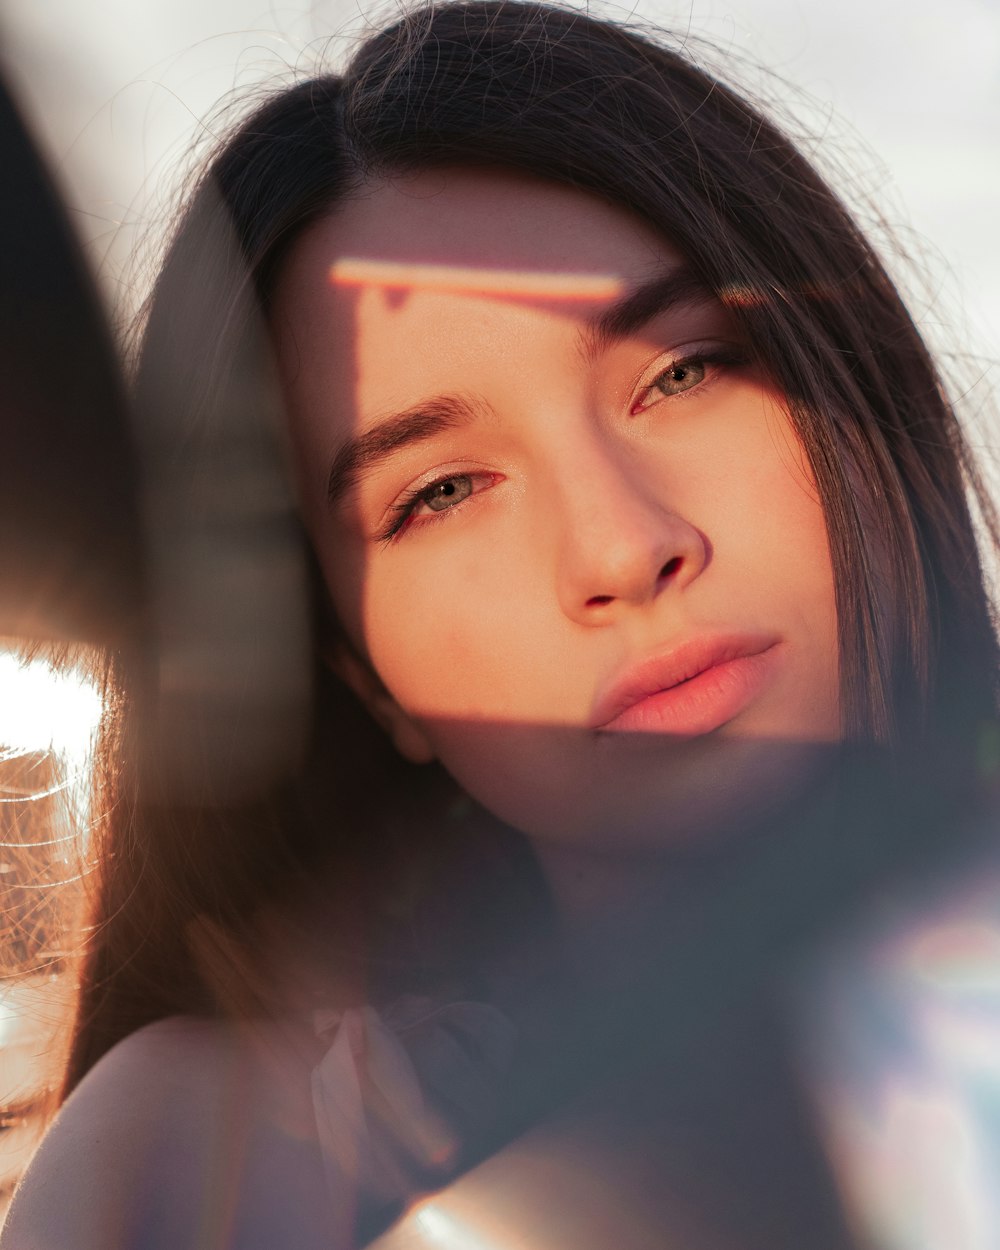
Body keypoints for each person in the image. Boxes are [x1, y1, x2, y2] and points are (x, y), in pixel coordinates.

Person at [2, 3, 998, 1247]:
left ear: (848, 380)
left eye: (683, 371)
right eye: (439, 492)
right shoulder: (213, 1162)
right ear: (357, 676)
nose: (623, 549)